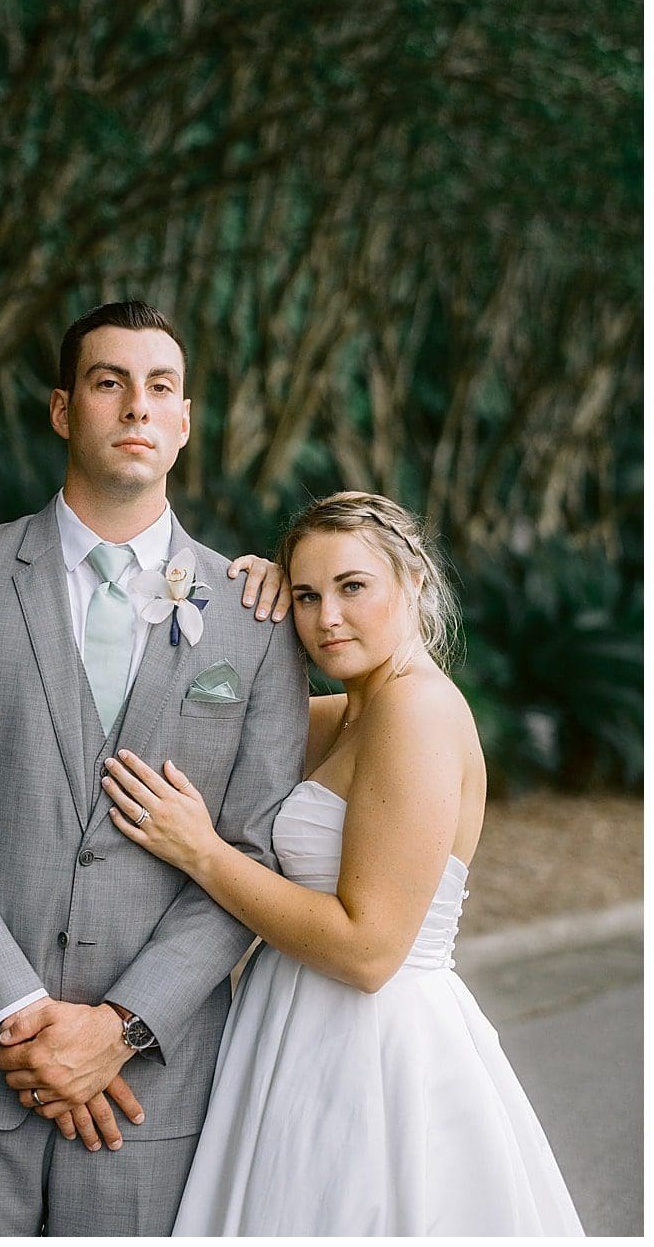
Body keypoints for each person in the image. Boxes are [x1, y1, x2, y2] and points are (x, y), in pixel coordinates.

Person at [0, 300, 305, 1235]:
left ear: (183, 423)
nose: (137, 405)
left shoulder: (256, 619)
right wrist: (18, 1013)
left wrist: (120, 1027)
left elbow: (256, 850)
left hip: (153, 1091)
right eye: (109, 382)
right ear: (63, 410)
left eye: (160, 388)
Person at [103, 491, 584, 1234]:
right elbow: (214, 724)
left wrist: (202, 853)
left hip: (371, 1053)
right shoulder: (354, 711)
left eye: (352, 587)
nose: (327, 618)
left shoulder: (416, 713)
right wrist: (243, 608)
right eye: (306, 594)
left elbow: (368, 951)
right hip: (292, 1030)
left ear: (414, 581)